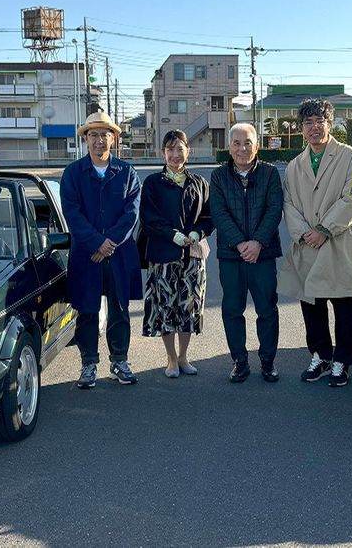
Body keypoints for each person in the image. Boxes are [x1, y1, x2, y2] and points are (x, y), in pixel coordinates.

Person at [278, 98, 352, 387]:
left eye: (320, 121)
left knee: (346, 305)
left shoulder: (351, 156)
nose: (314, 127)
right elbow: (288, 204)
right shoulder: (294, 166)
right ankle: (321, 355)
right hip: (309, 245)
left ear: (330, 123)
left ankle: (341, 362)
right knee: (312, 305)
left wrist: (324, 229)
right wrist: (303, 233)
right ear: (301, 129)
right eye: (308, 122)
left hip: (341, 244)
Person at [60, 110, 143, 389]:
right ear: (85, 140)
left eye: (104, 134)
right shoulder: (73, 173)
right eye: (93, 135)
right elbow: (72, 213)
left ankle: (119, 359)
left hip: (118, 254)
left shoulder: (127, 172)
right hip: (87, 254)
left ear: (114, 139)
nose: (99, 140)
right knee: (87, 309)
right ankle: (88, 363)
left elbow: (131, 214)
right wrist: (97, 242)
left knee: (120, 308)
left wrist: (108, 245)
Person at [209, 123, 283, 383]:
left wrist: (257, 243)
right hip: (231, 255)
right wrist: (241, 244)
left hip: (263, 254)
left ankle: (268, 362)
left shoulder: (270, 174)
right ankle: (239, 361)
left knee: (267, 309)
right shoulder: (218, 176)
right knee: (232, 309)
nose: (242, 148)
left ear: (257, 145)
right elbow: (218, 213)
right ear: (229, 147)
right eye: (237, 143)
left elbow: (274, 210)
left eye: (248, 142)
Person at [140, 130, 213, 378]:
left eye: (179, 148)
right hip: (163, 255)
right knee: (165, 308)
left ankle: (183, 356)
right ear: (163, 153)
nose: (175, 154)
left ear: (188, 152)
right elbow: (148, 219)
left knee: (189, 308)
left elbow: (208, 216)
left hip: (192, 256)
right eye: (170, 149)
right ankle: (170, 358)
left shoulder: (199, 183)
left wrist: (197, 232)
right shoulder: (152, 183)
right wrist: (172, 234)